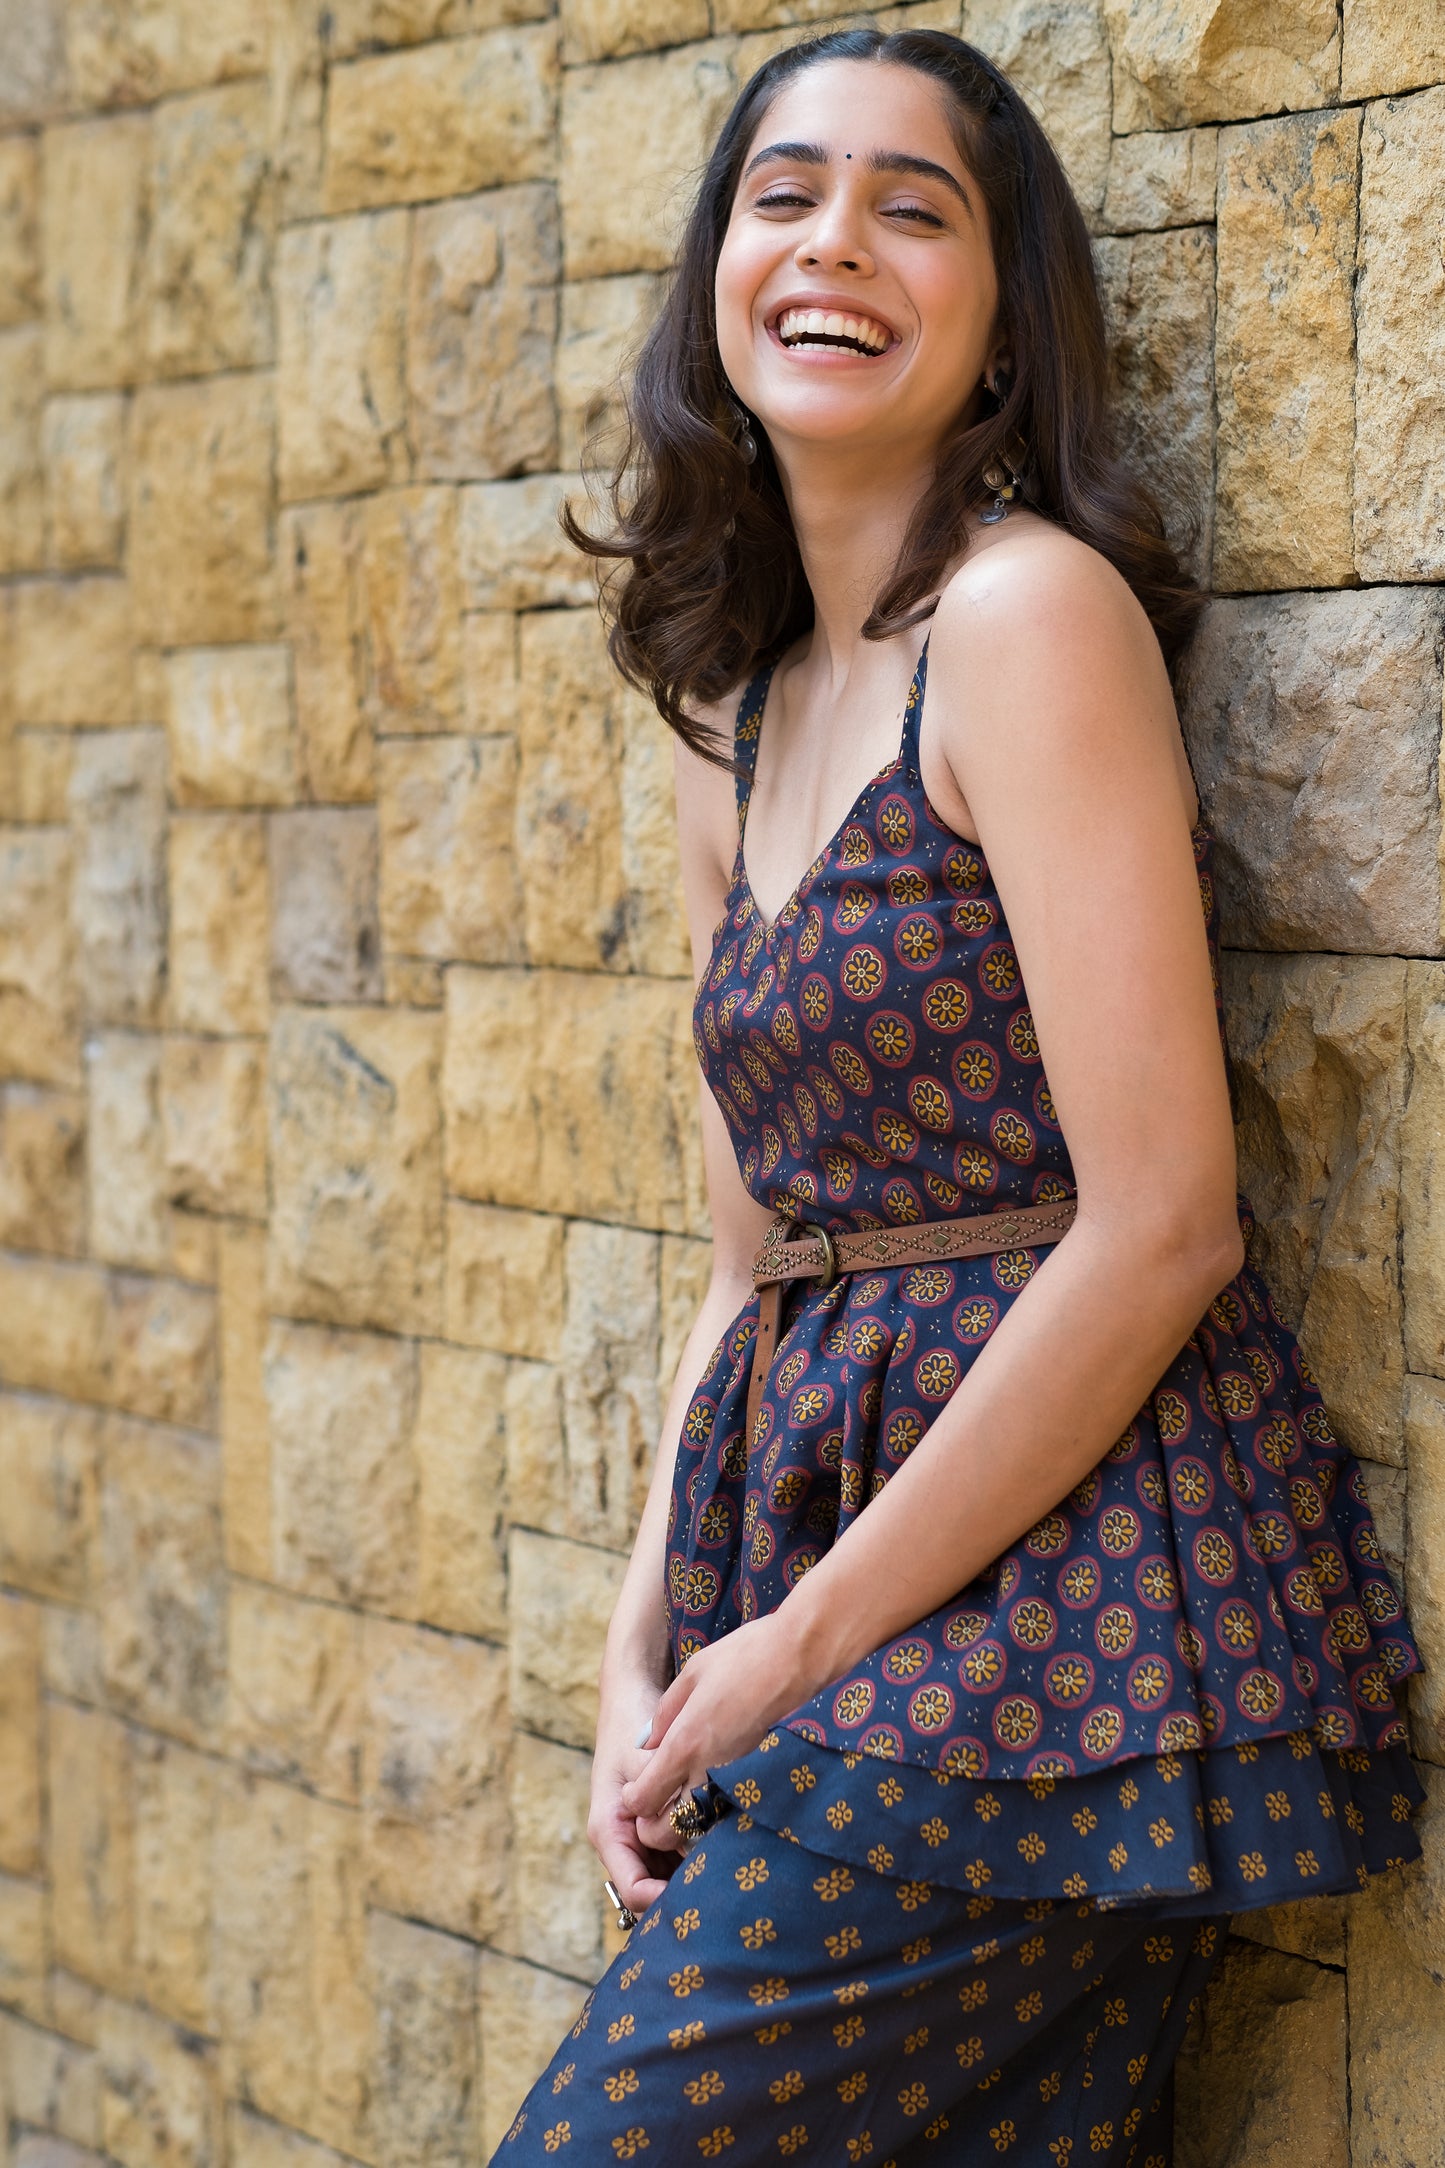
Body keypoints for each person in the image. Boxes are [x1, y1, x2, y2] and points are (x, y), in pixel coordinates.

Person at [491, 27, 1422, 2165]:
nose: (835, 244)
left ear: (1005, 322)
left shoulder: (1026, 619)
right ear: (717, 274)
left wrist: (795, 1649)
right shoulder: (727, 704)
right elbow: (750, 1261)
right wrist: (644, 1645)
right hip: (805, 1553)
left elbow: (1167, 1217)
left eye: (915, 210)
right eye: (784, 194)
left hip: (1055, 1612)